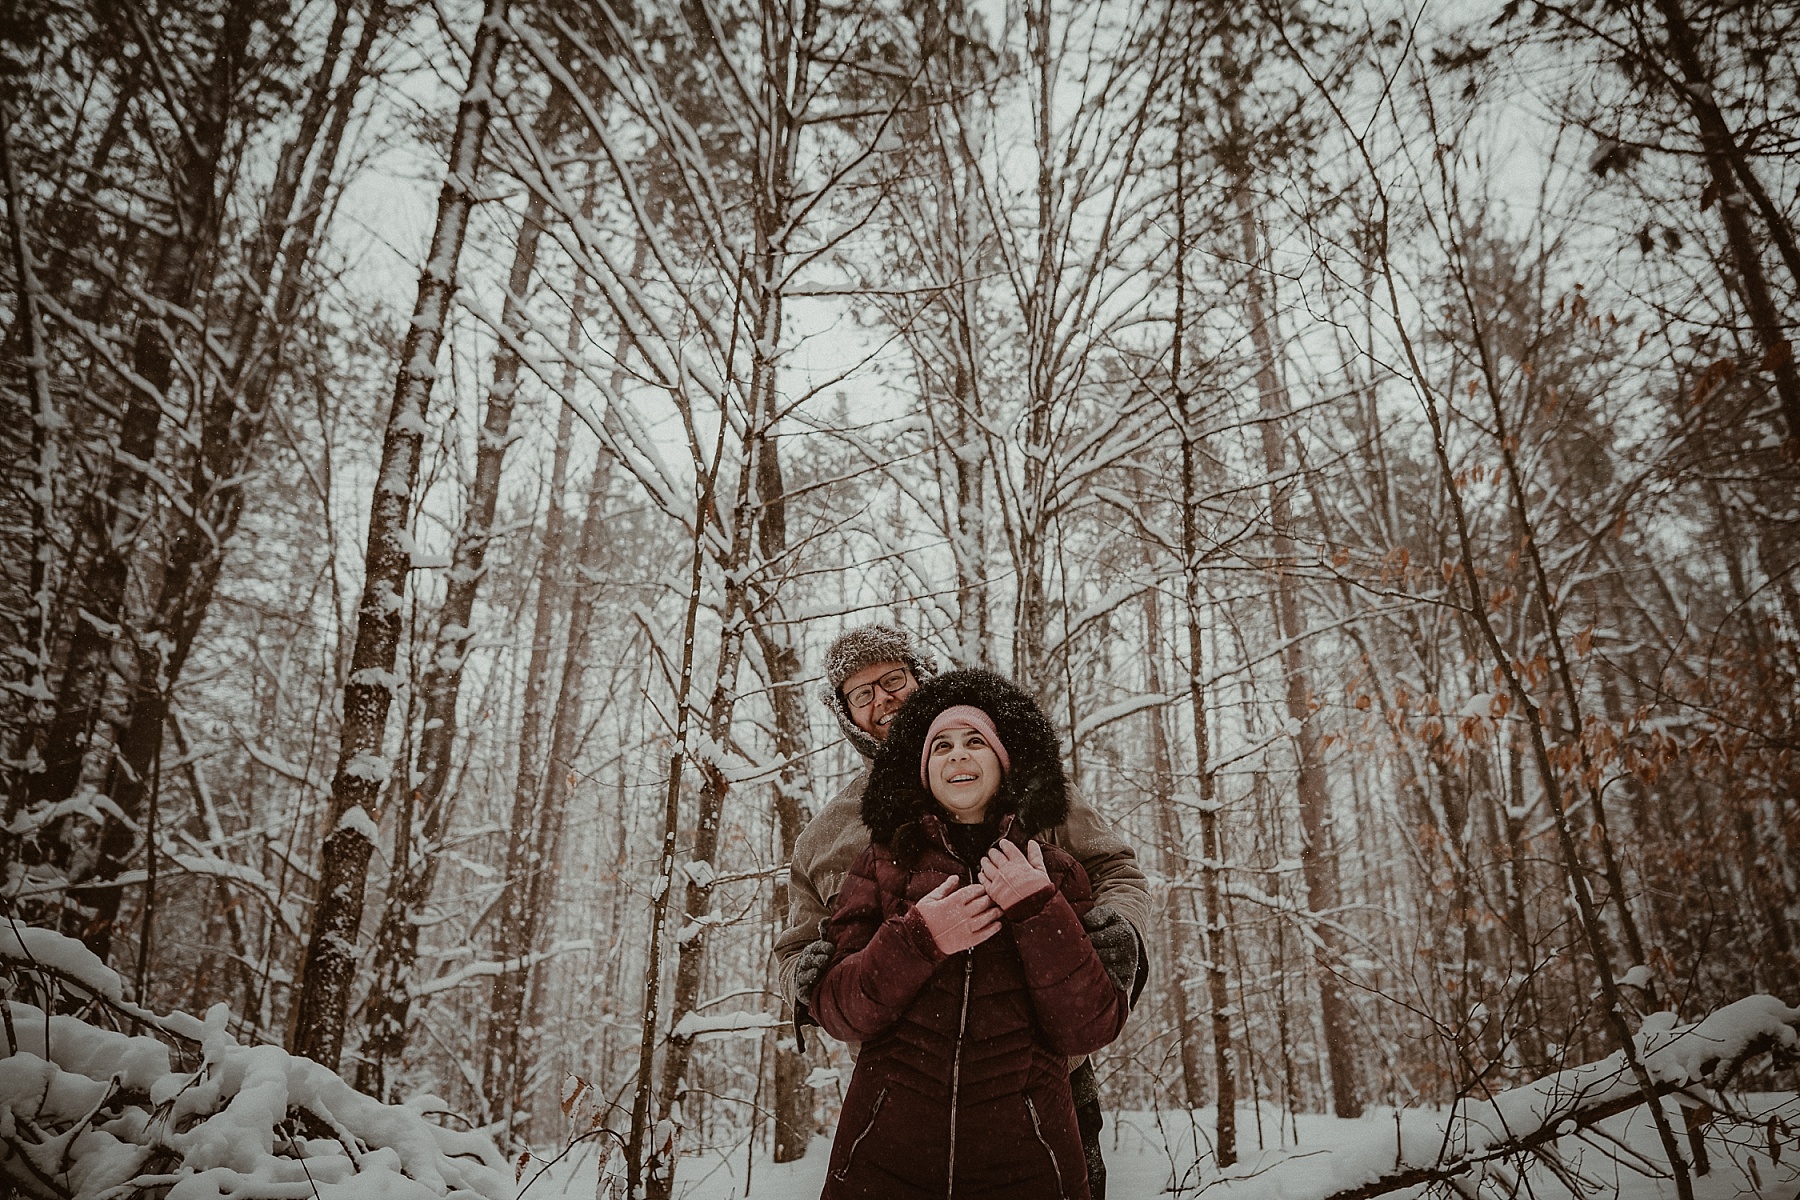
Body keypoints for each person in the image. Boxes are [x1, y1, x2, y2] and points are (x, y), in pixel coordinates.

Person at [774, 623, 1148, 1196]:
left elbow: (1116, 871)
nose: (882, 700)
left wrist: (1119, 935)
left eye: (892, 679)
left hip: (1044, 1089)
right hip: (901, 1101)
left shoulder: (1017, 778)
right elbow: (797, 945)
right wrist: (806, 979)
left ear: (922, 677)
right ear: (846, 715)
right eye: (861, 694)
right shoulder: (830, 830)